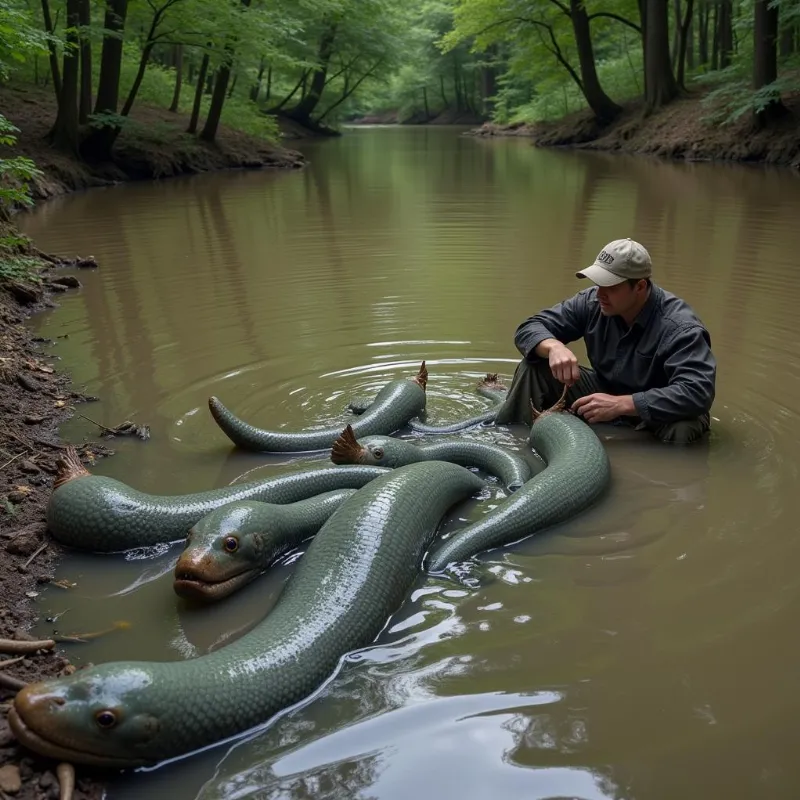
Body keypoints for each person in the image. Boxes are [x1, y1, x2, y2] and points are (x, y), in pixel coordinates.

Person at [494, 237, 716, 444]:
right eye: (598, 283)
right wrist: (553, 346)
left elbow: (697, 392)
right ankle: (513, 441)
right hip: (604, 391)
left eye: (611, 286)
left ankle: (657, 476)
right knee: (534, 366)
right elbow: (528, 329)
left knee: (683, 427)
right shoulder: (592, 302)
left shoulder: (680, 327)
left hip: (657, 409)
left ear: (639, 286)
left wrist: (623, 404)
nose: (600, 293)